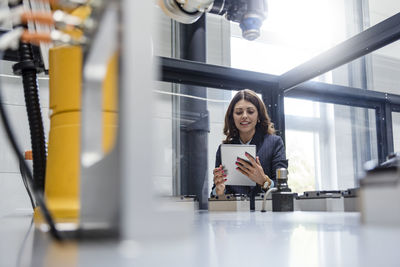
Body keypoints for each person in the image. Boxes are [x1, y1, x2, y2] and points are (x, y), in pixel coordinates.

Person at [212, 89, 288, 196]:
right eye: (239, 112)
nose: (244, 116)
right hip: (234, 210)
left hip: (265, 210)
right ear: (232, 117)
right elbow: (217, 192)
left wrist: (263, 181)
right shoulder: (223, 149)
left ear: (259, 116)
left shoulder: (274, 143)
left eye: (250, 111)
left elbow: (283, 190)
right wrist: (219, 190)